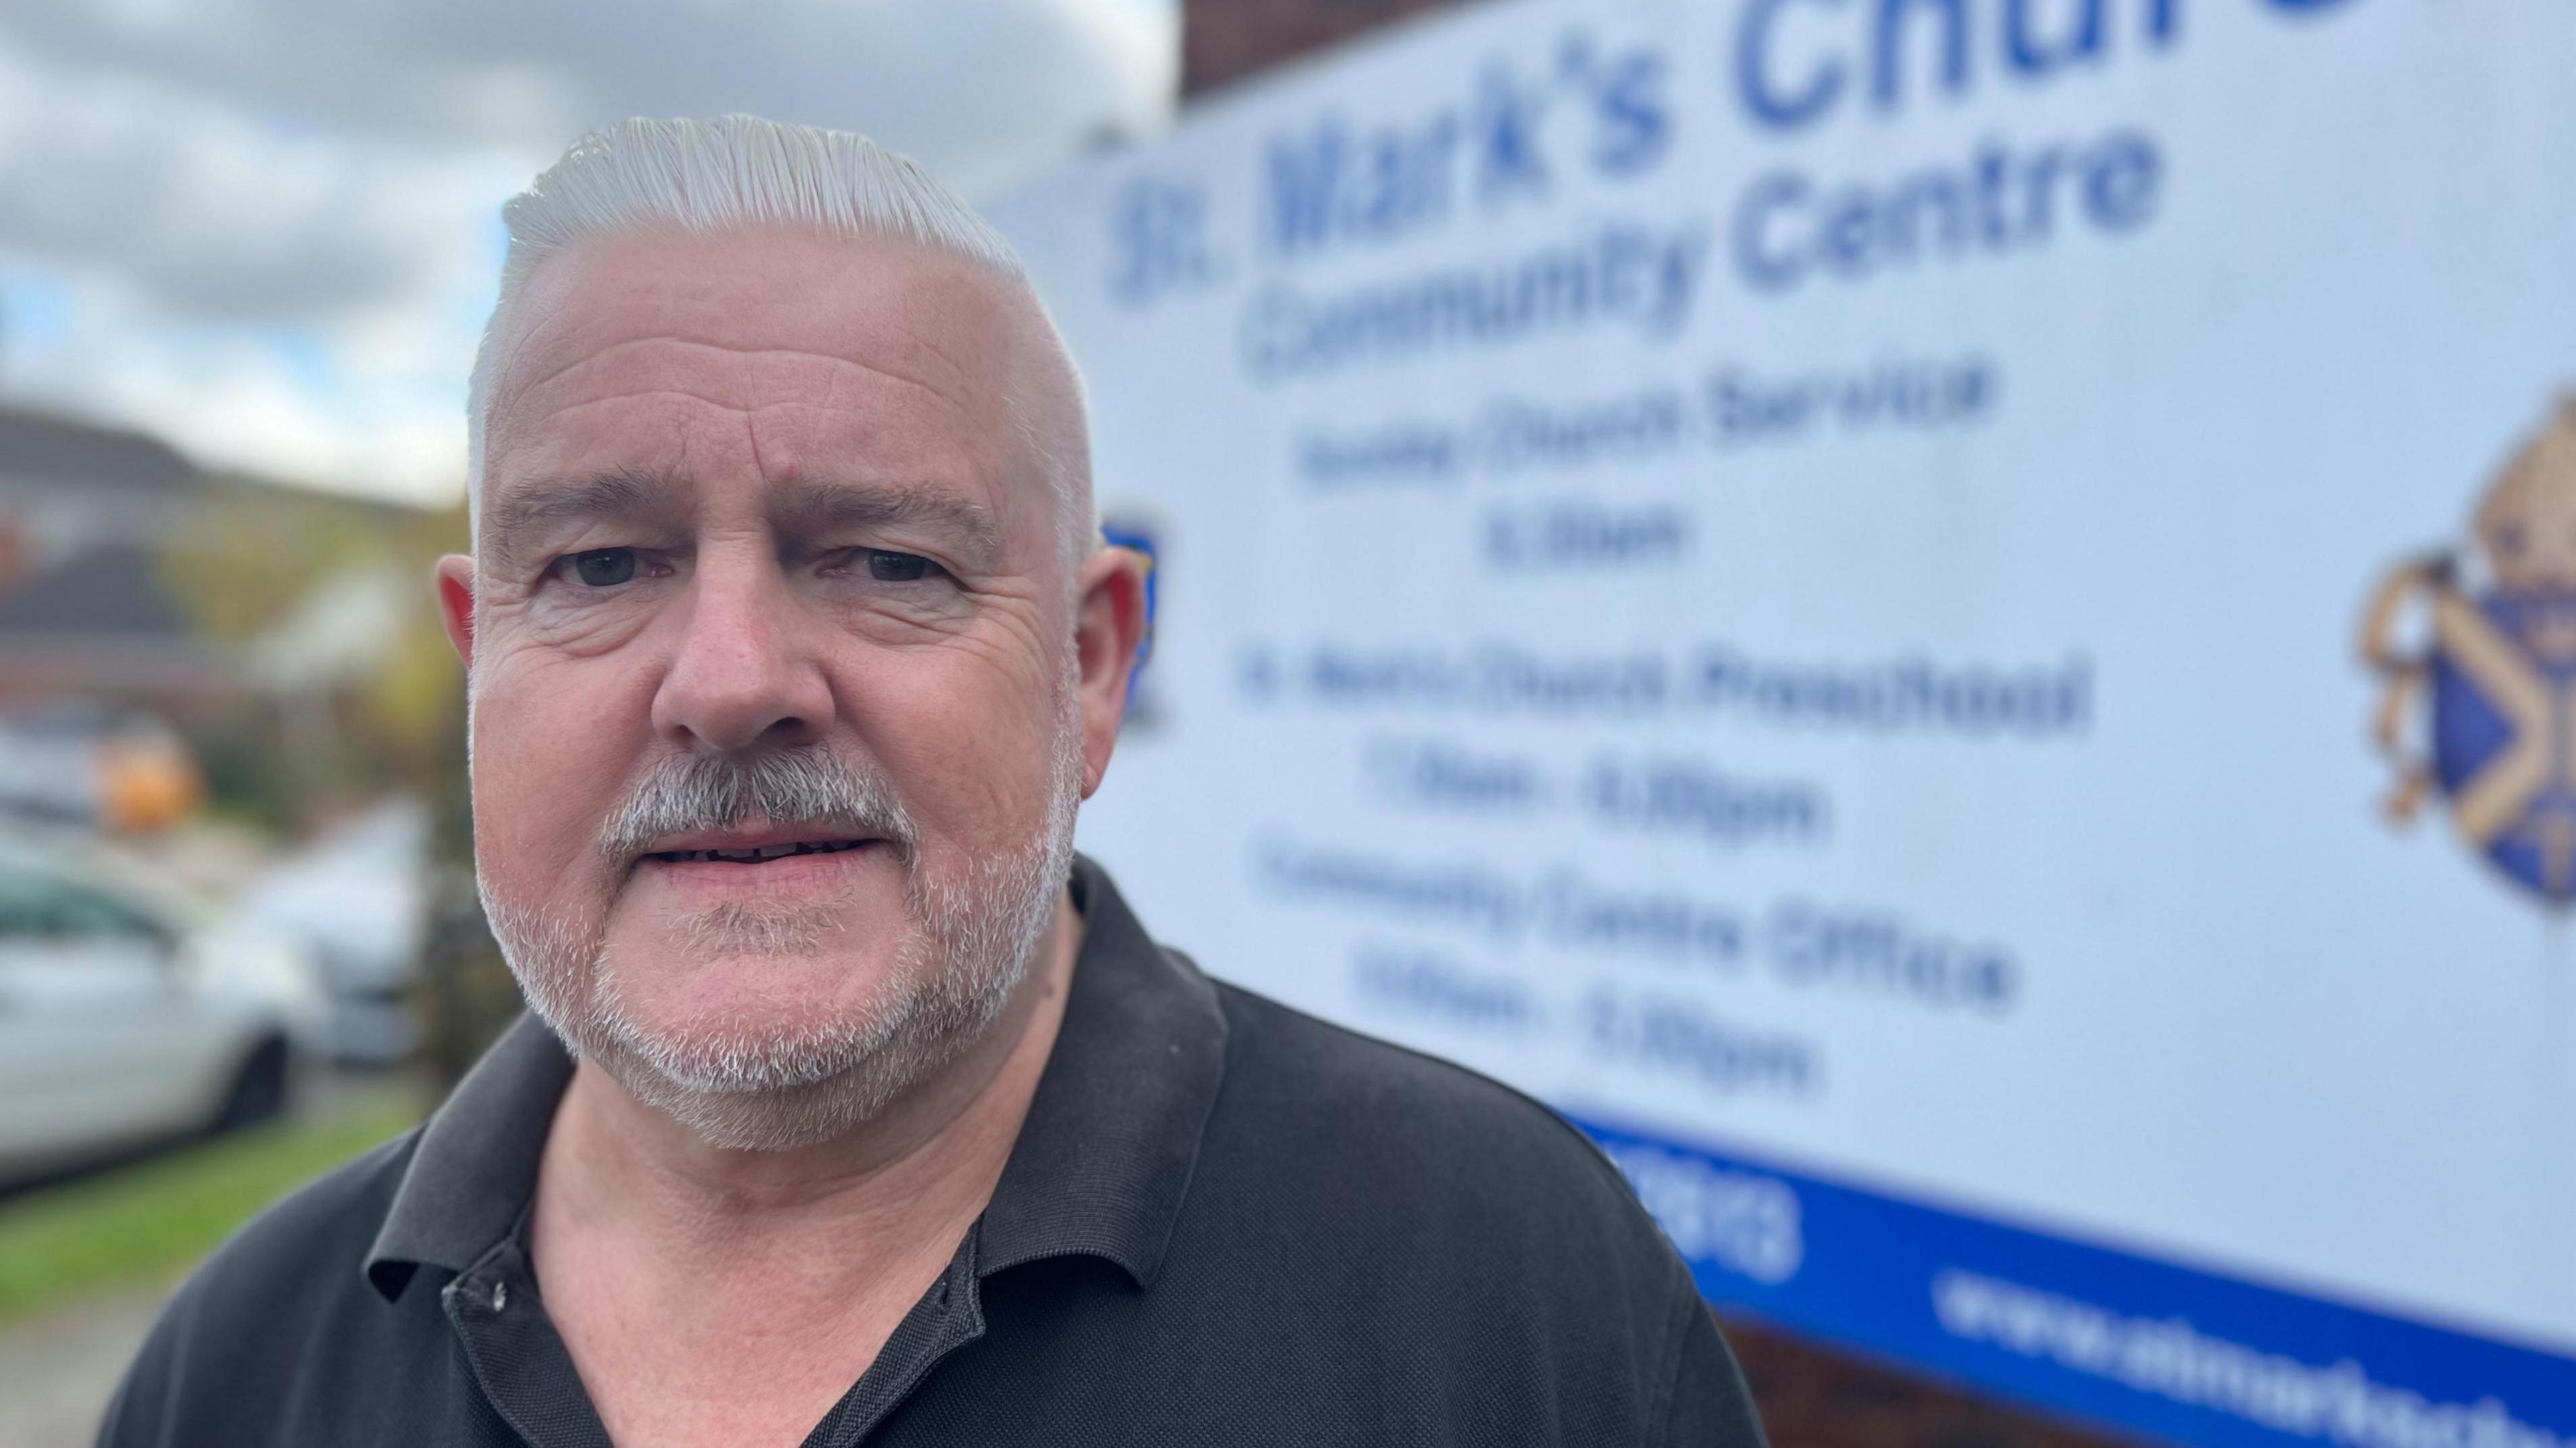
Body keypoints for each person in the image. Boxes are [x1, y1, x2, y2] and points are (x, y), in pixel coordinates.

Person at [99, 115, 1767, 1448]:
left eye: (889, 562)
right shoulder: (237, 1366)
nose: (733, 682)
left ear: (1091, 669)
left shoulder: (1506, 1296)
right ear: (484, 663)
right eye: (604, 565)